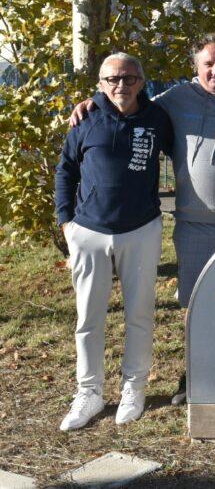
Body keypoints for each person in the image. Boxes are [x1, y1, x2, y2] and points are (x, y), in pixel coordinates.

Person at [70, 34, 215, 405]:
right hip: (192, 224)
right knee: (196, 304)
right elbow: (127, 105)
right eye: (207, 63)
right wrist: (93, 102)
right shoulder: (175, 100)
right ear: (196, 67)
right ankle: (195, 376)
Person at [55, 53, 174, 429]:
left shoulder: (157, 118)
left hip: (141, 230)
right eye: (112, 79)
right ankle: (88, 393)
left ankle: (133, 388)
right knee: (89, 318)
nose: (120, 85)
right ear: (101, 83)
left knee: (139, 314)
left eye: (128, 78)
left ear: (141, 81)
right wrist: (66, 224)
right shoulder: (86, 117)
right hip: (88, 233)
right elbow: (66, 171)